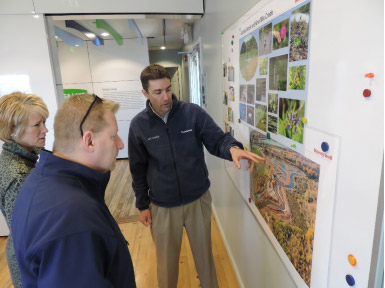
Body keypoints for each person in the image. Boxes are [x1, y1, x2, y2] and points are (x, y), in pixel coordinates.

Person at [128, 64, 264, 288]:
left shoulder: (192, 113)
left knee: (205, 259)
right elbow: (138, 169)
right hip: (162, 206)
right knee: (166, 264)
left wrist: (233, 149)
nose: (166, 97)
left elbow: (217, 139)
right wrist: (143, 205)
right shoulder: (138, 126)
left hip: (197, 200)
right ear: (145, 93)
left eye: (168, 89)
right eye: (158, 92)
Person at [12, 94, 136, 287]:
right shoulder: (72, 215)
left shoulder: (41, 180)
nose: (120, 144)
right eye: (113, 136)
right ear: (89, 141)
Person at [0, 91, 49, 288]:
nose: (45, 130)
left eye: (44, 122)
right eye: (37, 125)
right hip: (30, 267)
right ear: (13, 129)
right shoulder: (19, 175)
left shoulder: (21, 158)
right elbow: (26, 237)